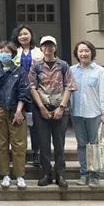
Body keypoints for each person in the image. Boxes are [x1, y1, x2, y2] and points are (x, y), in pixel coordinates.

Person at [28, 35, 77, 188]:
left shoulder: (63, 65)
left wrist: (61, 107)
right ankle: (46, 173)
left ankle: (60, 174)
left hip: (60, 109)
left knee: (59, 143)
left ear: (55, 47)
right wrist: (41, 107)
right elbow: (32, 87)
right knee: (43, 143)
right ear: (41, 48)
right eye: (45, 46)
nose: (47, 48)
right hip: (41, 109)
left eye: (50, 45)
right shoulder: (36, 66)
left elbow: (70, 86)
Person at [0, 41, 31, 189]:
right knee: (1, 144)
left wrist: (19, 110)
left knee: (19, 144)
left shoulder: (20, 71)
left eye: (6, 52)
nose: (3, 54)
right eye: (1, 52)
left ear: (12, 54)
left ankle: (20, 175)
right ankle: (4, 174)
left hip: (16, 110)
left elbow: (24, 90)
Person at [70, 40, 104, 188]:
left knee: (94, 145)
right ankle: (84, 174)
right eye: (80, 51)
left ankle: (94, 176)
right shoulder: (71, 70)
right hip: (76, 113)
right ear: (77, 54)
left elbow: (103, 93)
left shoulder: (100, 71)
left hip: (94, 113)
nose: (83, 54)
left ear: (92, 52)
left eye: (86, 51)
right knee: (81, 145)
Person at [11, 24, 44, 167]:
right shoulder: (14, 51)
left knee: (35, 125)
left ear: (31, 35)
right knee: (18, 125)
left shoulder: (39, 52)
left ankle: (36, 153)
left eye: (26, 34)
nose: (23, 36)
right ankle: (21, 154)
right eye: (20, 34)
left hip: (35, 93)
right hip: (18, 93)